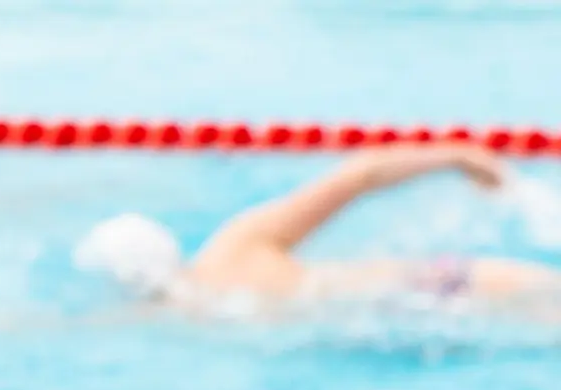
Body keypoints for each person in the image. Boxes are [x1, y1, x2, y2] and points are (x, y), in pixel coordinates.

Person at [74, 143, 561, 314]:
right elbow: (361, 174)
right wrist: (453, 154)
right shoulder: (236, 248)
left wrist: (457, 155)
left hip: (444, 296)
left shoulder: (200, 298)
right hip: (449, 282)